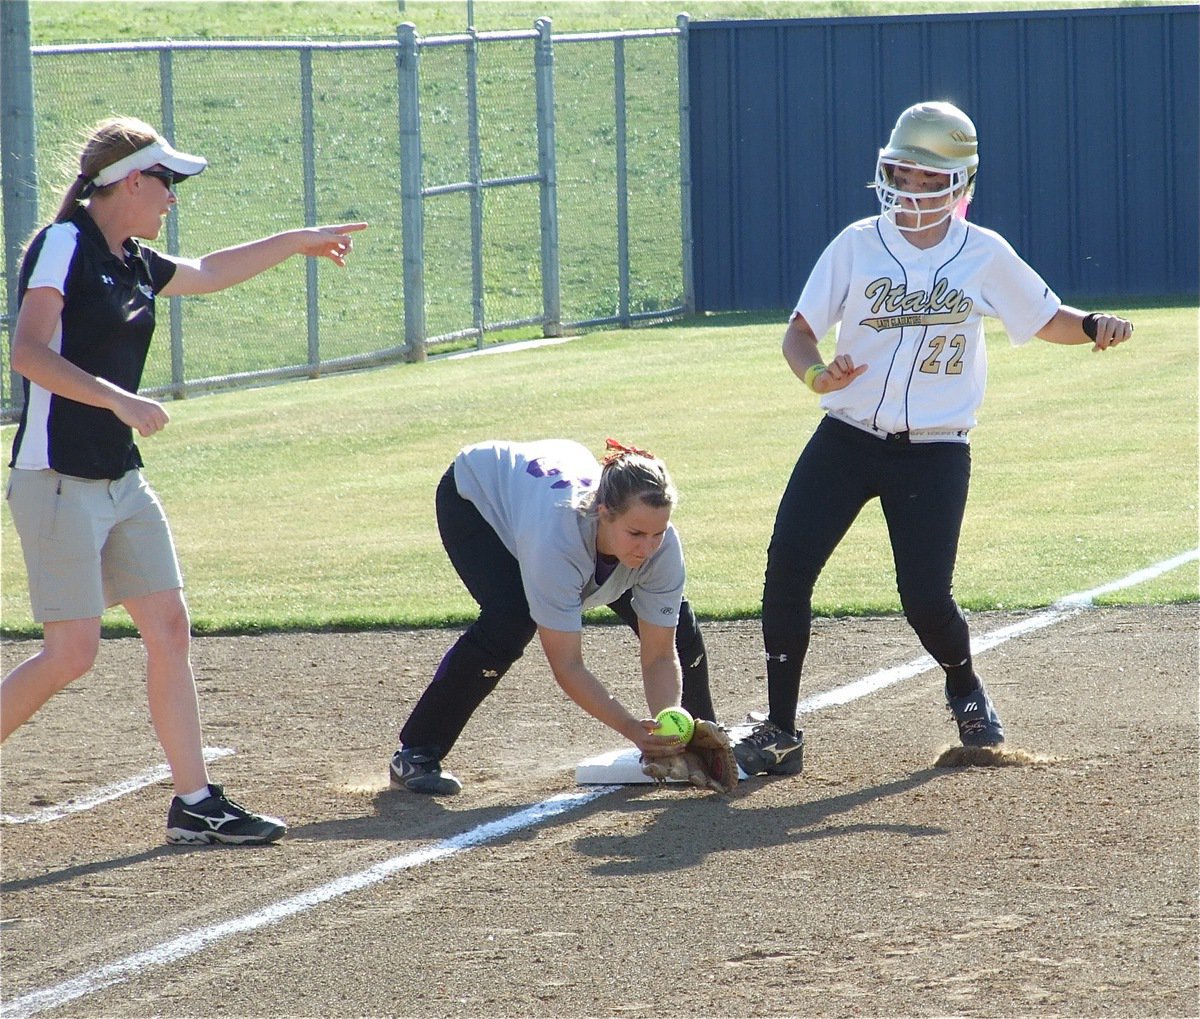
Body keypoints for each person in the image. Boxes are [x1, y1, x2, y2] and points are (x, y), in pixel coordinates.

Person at [734, 100, 1134, 778]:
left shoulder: (983, 254)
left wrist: (1093, 324)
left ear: (961, 184)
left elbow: (1043, 317)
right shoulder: (858, 244)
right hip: (846, 434)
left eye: (929, 178)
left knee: (924, 597)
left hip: (937, 448)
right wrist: (816, 375)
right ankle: (780, 730)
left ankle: (963, 683)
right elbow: (798, 331)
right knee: (787, 568)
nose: (912, 190)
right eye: (902, 173)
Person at [2, 116, 367, 844]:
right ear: (129, 181)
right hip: (57, 478)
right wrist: (119, 397)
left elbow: (209, 271)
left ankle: (195, 802)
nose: (172, 197)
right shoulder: (64, 244)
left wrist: (297, 241)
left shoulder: (131, 258)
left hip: (118, 477)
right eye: (165, 182)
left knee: (168, 627)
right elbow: (28, 352)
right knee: (73, 652)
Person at [390, 437, 720, 794]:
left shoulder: (661, 549)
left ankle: (698, 742)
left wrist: (667, 728)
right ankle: (416, 752)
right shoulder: (557, 544)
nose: (647, 547)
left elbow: (659, 654)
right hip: (478, 498)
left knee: (678, 629)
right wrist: (632, 730)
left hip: (552, 493)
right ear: (605, 512)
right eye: (636, 533)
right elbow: (567, 665)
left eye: (657, 533)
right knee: (510, 620)